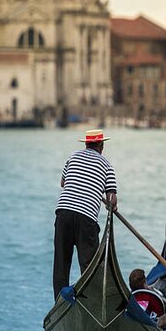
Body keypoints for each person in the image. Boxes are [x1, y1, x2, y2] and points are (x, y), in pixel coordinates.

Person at [53, 128, 117, 300]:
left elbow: (63, 183)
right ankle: (90, 302)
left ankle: (60, 302)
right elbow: (111, 200)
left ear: (87, 144)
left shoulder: (72, 157)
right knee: (90, 267)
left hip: (63, 213)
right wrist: (112, 206)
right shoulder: (106, 165)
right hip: (86, 218)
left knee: (61, 263)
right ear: (101, 146)